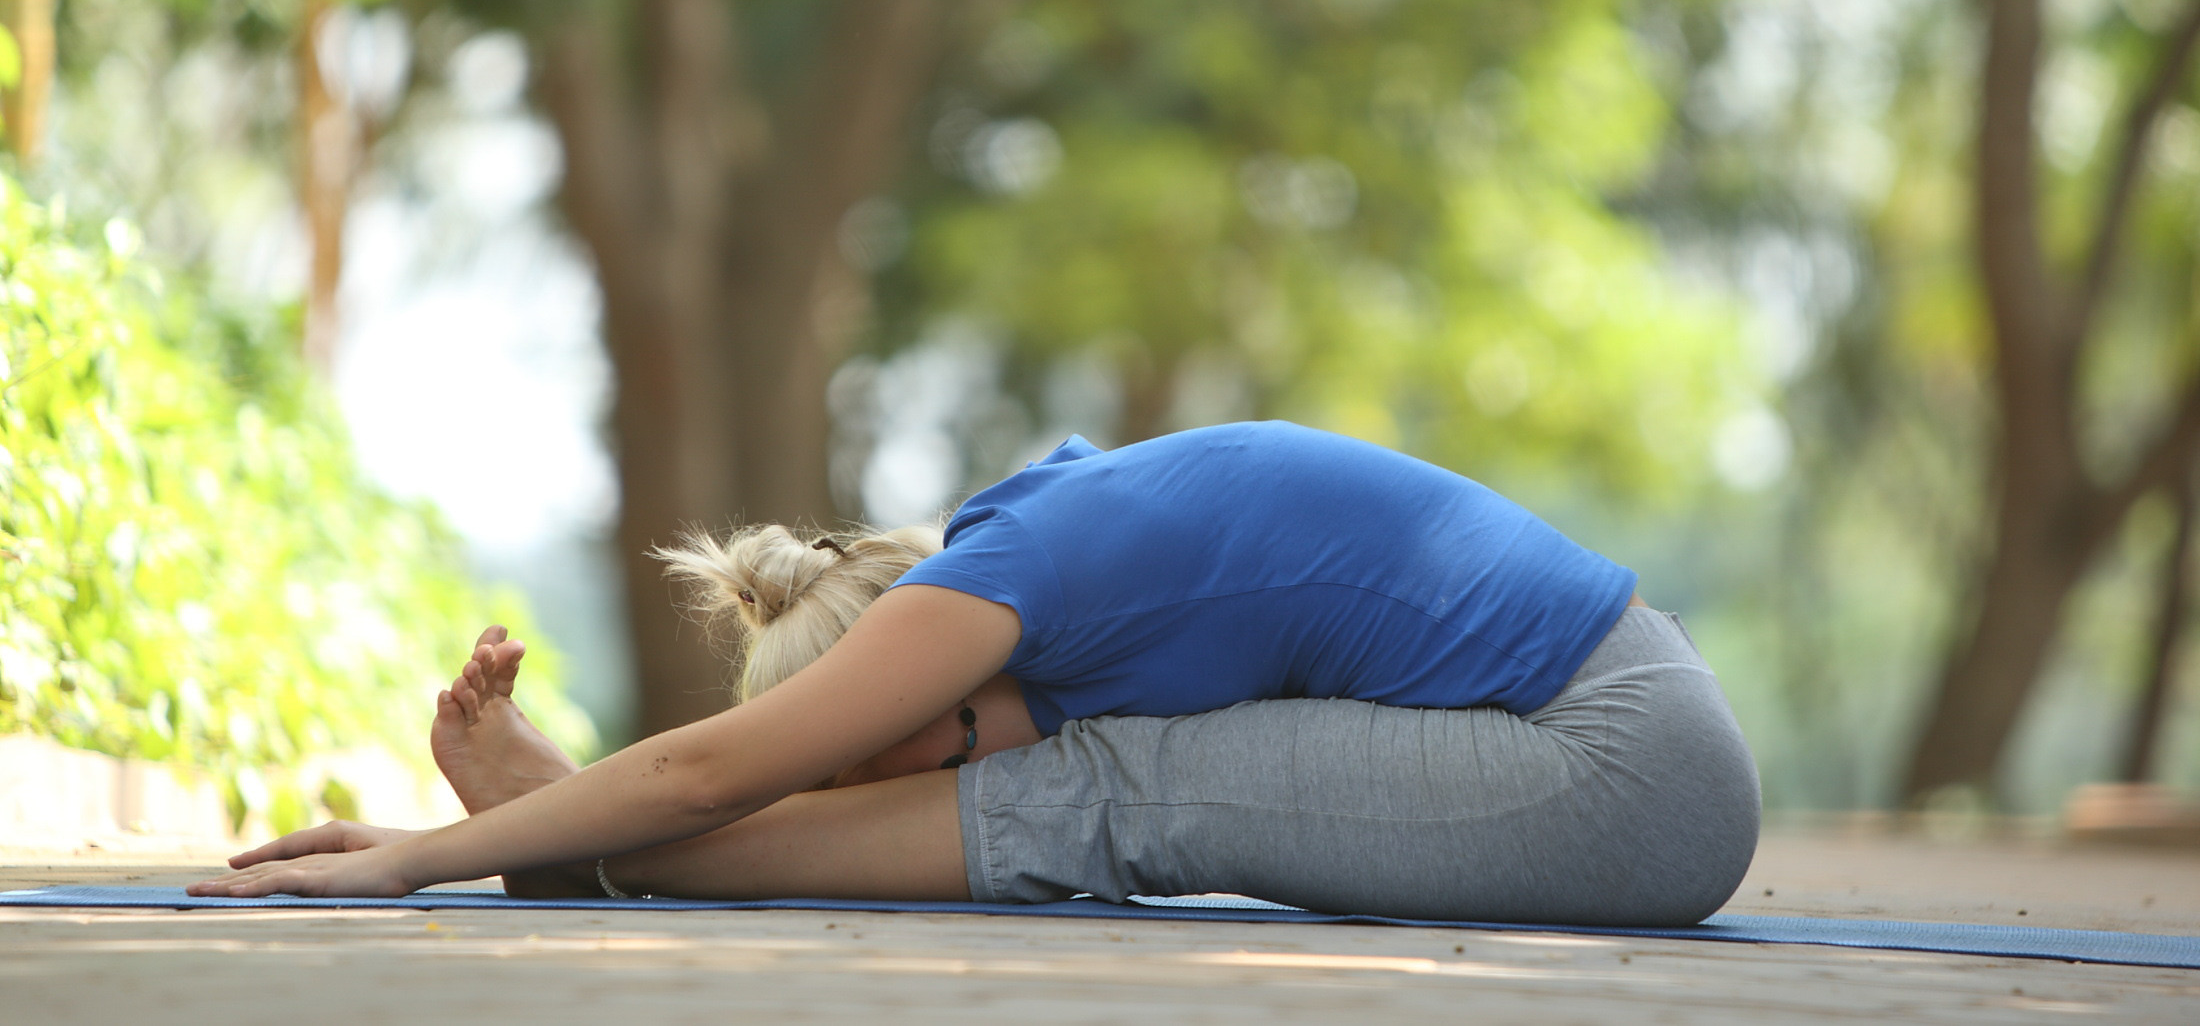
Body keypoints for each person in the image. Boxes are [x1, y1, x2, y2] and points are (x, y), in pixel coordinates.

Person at [190, 421, 1760, 924]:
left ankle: (586, 846)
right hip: (1612, 729)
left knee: (1115, 797)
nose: (965, 780)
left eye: (921, 763)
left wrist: (417, 861)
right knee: (1100, 782)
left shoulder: (996, 585)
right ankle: (583, 840)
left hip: (1625, 772)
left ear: (908, 674)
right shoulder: (1037, 536)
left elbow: (707, 771)